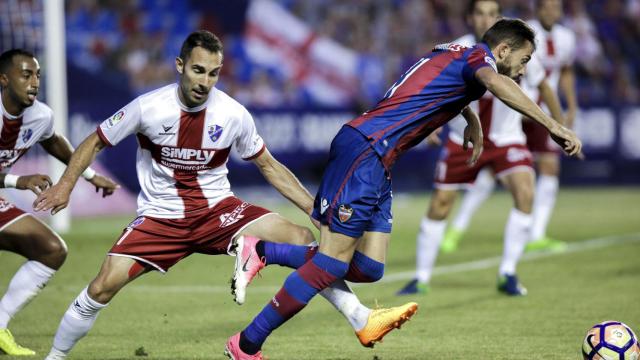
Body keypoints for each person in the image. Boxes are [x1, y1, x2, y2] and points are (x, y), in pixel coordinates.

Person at [33, 31, 415, 360]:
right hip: (160, 218)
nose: (205, 81)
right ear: (180, 65)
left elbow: (269, 166)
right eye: (198, 70)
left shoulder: (232, 114)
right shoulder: (148, 107)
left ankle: (359, 317)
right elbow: (93, 142)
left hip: (219, 212)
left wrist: (313, 210)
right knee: (101, 286)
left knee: (301, 236)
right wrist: (66, 184)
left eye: (214, 73)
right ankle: (55, 356)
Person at [223, 18, 582, 359]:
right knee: (330, 264)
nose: (523, 70)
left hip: (379, 160)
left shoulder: (454, 50)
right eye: (524, 60)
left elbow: (430, 84)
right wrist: (553, 125)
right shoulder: (480, 59)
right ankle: (247, 343)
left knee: (369, 267)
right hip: (365, 150)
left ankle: (267, 250)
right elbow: (496, 83)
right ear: (503, 51)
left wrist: (470, 117)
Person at [396, 0, 567, 296]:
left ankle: (508, 273)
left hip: (507, 137)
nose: (485, 18)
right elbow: (436, 85)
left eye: (491, 13)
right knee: (440, 205)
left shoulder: (519, 53)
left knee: (525, 192)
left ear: (498, 18)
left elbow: (544, 86)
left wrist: (560, 122)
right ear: (469, 18)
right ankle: (421, 277)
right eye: (479, 13)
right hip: (462, 139)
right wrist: (433, 122)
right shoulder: (458, 49)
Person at [0, 49, 118, 356]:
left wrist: (91, 176)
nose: (34, 81)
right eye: (26, 75)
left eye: (37, 75)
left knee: (50, 249)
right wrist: (19, 181)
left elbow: (52, 140)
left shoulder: (40, 116)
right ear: (3, 79)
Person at [441, 0, 578, 253]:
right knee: (486, 176)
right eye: (547, 6)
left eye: (556, 7)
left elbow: (552, 80)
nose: (552, 11)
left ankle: (534, 235)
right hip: (501, 119)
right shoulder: (516, 36)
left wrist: (564, 117)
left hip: (527, 115)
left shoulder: (561, 38)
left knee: (545, 168)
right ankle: (457, 227)